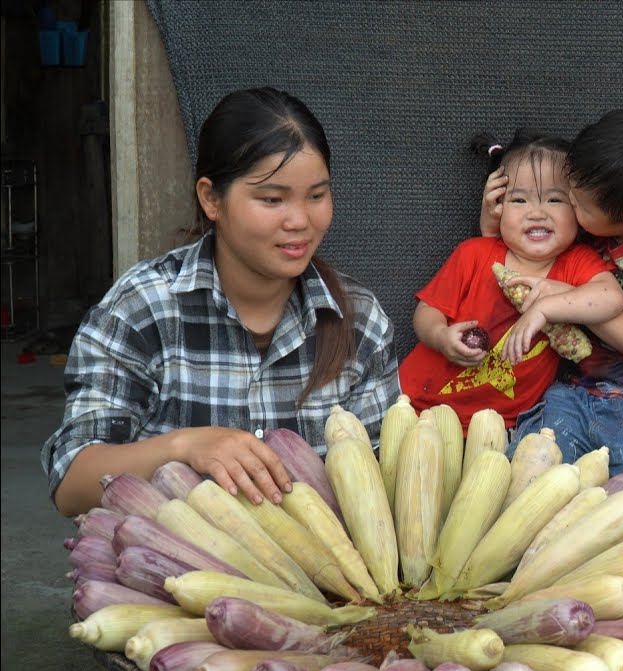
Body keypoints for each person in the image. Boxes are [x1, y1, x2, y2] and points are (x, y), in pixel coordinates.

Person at [43, 87, 400, 518]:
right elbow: (72, 482)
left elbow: (384, 487)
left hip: (325, 583)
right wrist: (186, 446)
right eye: (272, 199)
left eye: (317, 195)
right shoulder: (144, 309)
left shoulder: (358, 321)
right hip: (175, 578)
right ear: (211, 198)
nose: (300, 220)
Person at [480, 107, 623, 479]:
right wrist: (492, 220)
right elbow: (513, 267)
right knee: (528, 468)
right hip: (574, 391)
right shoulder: (599, 220)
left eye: (579, 203)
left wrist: (565, 300)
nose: (569, 200)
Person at [398, 131, 623, 428]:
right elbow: (427, 312)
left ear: (579, 209)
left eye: (555, 200)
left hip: (503, 423)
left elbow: (612, 297)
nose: (537, 213)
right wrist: (441, 337)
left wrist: (546, 308)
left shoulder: (576, 263)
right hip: (421, 403)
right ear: (497, 205)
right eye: (519, 200)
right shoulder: (474, 253)